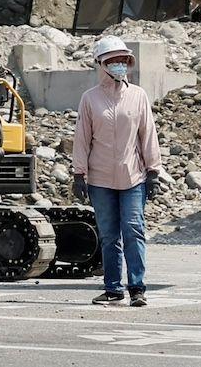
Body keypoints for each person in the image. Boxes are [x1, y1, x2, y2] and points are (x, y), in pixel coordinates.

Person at [72, 34, 162, 307]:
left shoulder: (138, 96)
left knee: (134, 230)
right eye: (113, 61)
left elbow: (148, 135)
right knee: (110, 235)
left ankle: (137, 288)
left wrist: (153, 172)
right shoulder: (90, 99)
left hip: (133, 176)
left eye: (123, 60)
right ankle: (113, 288)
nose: (119, 65)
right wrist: (79, 174)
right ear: (101, 64)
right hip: (100, 179)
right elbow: (82, 138)